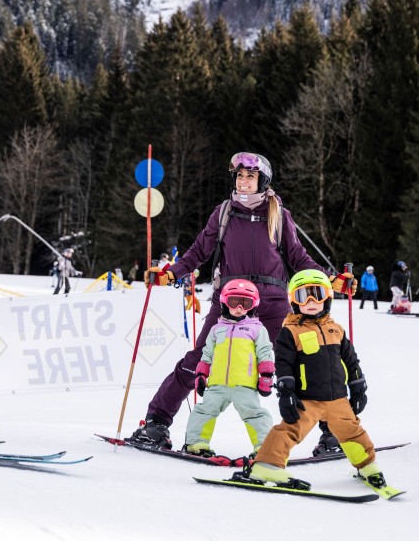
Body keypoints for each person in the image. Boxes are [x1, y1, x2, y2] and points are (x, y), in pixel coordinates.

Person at [131, 152, 355, 449]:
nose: (244, 181)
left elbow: (299, 258)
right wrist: (171, 275)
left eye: (250, 176)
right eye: (239, 176)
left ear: (262, 180)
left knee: (303, 364)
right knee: (199, 360)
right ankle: (156, 423)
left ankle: (333, 431)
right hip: (229, 303)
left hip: (273, 303)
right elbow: (198, 252)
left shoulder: (278, 214)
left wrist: (330, 279)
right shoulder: (224, 213)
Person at [247, 270, 393, 494]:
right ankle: (267, 466)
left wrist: (358, 387)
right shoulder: (290, 331)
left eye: (317, 293)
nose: (311, 301)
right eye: (304, 295)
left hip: (338, 400)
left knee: (353, 433)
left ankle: (367, 466)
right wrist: (286, 392)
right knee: (288, 431)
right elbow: (284, 364)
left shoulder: (336, 329)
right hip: (308, 399)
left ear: (328, 297)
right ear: (294, 300)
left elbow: (351, 361)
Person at [183, 279, 274, 457]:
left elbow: (265, 352)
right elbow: (207, 354)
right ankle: (196, 443)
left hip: (244, 384)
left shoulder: (256, 329)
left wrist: (266, 375)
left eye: (245, 303)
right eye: (234, 301)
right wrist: (201, 375)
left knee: (255, 414)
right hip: (217, 385)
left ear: (252, 306)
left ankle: (264, 447)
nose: (239, 307)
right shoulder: (216, 329)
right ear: (225, 303)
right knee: (204, 410)